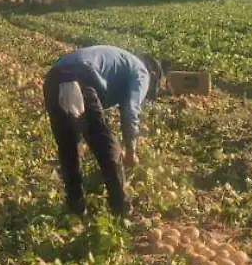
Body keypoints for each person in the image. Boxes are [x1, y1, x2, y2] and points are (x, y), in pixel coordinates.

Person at [42, 45, 164, 216]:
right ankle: (121, 208)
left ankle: (76, 207)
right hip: (81, 77)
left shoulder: (123, 61)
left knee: (68, 145)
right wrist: (130, 150)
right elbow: (130, 110)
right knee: (106, 145)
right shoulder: (141, 72)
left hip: (53, 79)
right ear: (153, 75)